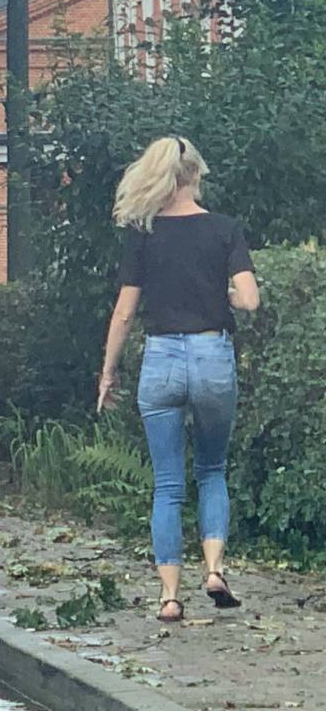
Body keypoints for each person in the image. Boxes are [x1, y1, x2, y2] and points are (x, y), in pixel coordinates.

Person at [98, 136, 260, 625]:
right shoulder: (225, 230)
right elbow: (250, 300)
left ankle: (169, 598)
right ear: (195, 176)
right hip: (212, 354)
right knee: (212, 469)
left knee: (167, 485)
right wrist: (225, 298)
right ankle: (214, 569)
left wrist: (108, 372)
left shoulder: (144, 236)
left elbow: (125, 314)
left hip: (162, 358)